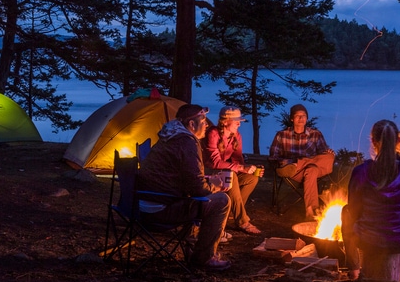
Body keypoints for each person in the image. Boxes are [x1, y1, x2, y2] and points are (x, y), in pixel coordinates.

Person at [137, 104, 232, 271]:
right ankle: (204, 258)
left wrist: (206, 181)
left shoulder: (170, 137)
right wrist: (214, 185)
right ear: (192, 125)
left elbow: (182, 176)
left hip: (146, 203)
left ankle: (195, 246)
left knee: (205, 198)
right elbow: (198, 189)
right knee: (221, 201)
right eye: (203, 121)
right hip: (160, 210)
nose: (207, 125)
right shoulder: (186, 142)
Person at [341, 119, 400, 282]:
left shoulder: (361, 172)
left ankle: (354, 271)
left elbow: (354, 210)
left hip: (368, 240)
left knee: (345, 212)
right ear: (398, 140)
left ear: (372, 141)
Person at [202, 106, 263, 235]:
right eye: (236, 120)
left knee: (252, 178)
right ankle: (242, 221)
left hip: (224, 171)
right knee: (231, 176)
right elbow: (215, 162)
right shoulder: (213, 133)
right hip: (208, 172)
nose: (239, 123)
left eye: (239, 120)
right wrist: (239, 168)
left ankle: (231, 211)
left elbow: (238, 160)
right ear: (224, 122)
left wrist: (249, 169)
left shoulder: (236, 136)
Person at [269, 104, 335, 218]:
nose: (301, 118)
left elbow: (323, 156)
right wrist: (284, 162)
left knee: (329, 157)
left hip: (300, 166)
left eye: (303, 116)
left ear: (307, 118)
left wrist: (328, 153)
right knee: (311, 170)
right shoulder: (282, 135)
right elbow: (273, 157)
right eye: (298, 116)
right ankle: (312, 212)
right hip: (293, 172)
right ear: (292, 119)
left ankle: (297, 163)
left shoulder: (316, 134)